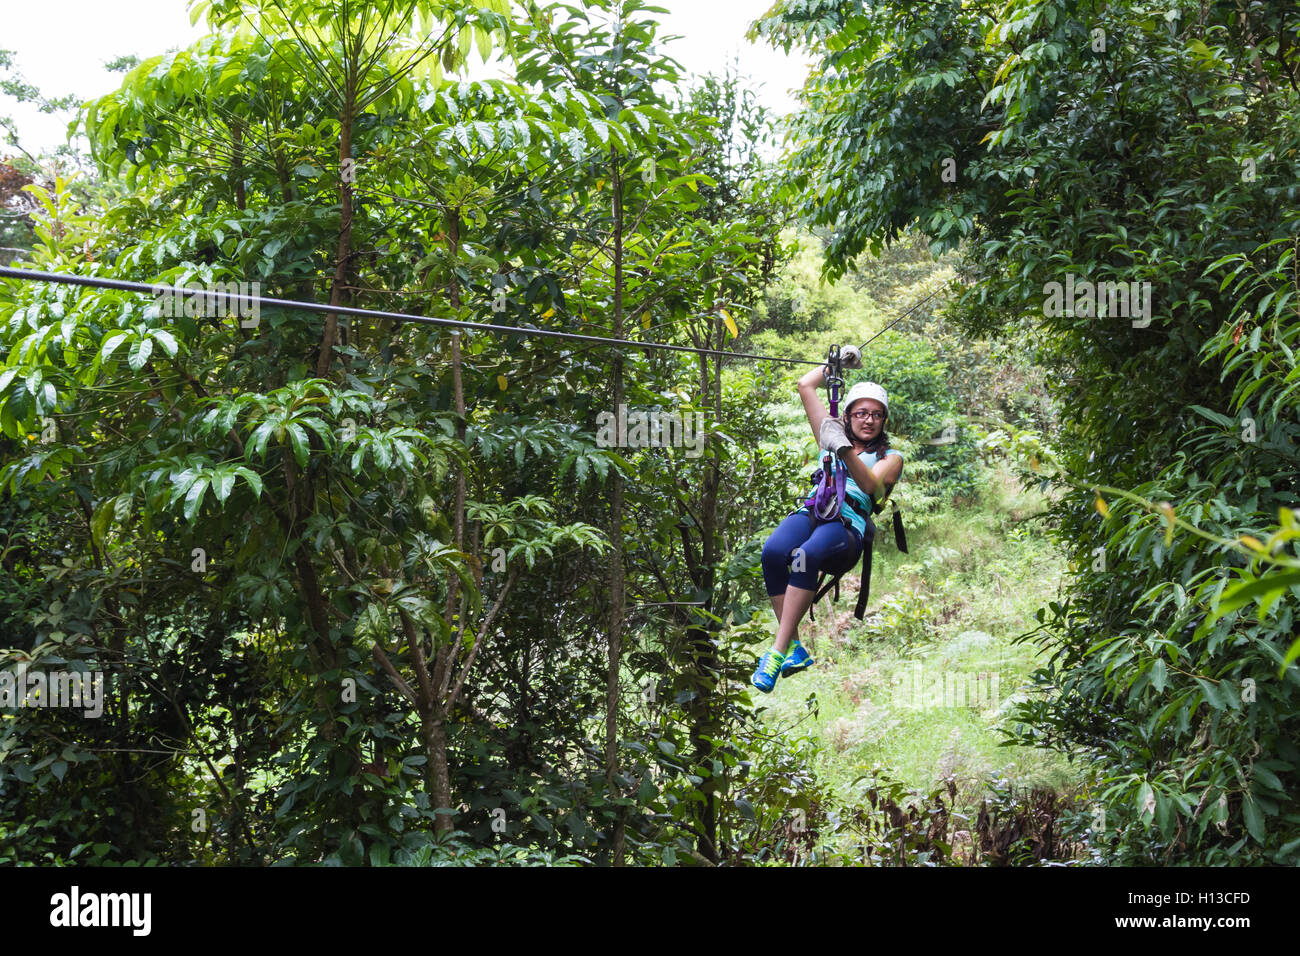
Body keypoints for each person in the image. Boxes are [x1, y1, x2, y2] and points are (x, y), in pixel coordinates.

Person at [751, 349, 903, 692]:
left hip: (846, 529)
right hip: (816, 511)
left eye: (877, 415)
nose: (868, 420)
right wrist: (832, 367)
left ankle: (777, 651)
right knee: (774, 552)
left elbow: (870, 486)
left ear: (884, 422)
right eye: (861, 413)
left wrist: (842, 447)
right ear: (847, 416)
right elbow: (805, 385)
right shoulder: (830, 436)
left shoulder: (891, 458)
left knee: (805, 555)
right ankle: (795, 648)